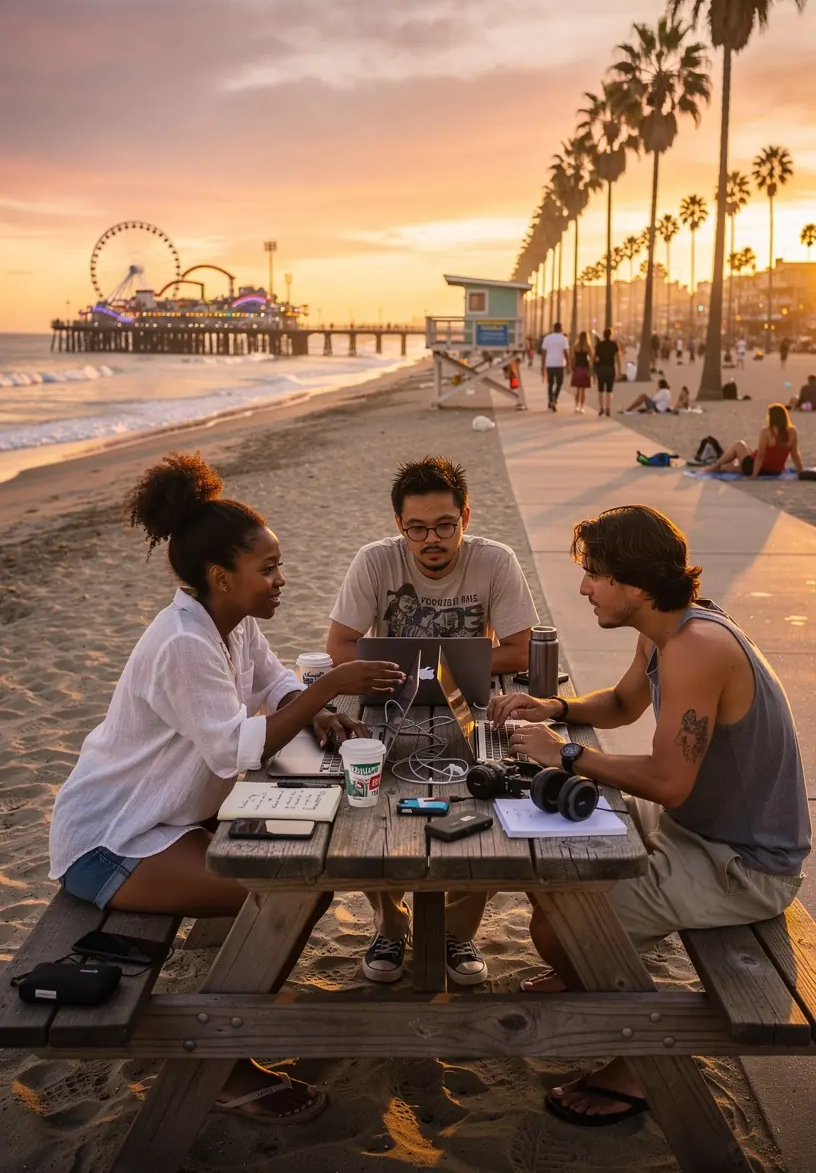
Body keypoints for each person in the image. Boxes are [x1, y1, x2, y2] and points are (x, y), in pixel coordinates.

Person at [48, 453, 404, 1126]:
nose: (280, 579)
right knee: (289, 889)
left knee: (303, 874)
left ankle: (231, 1012)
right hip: (111, 840)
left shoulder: (229, 623)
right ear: (221, 577)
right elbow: (230, 746)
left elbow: (273, 685)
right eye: (267, 569)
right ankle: (222, 1066)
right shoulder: (183, 642)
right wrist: (328, 687)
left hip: (168, 822)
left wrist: (315, 707)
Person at [489, 504, 810, 1126]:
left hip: (743, 866)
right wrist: (552, 707)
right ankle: (587, 974)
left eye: (594, 574)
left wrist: (568, 754)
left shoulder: (698, 647)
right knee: (545, 860)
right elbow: (619, 705)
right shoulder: (666, 629)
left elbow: (670, 782)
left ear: (634, 583)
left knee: (561, 926)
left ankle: (641, 1058)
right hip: (693, 834)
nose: (583, 587)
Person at [326, 456, 538, 986]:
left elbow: (524, 651)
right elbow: (338, 644)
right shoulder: (375, 561)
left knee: (484, 804)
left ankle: (455, 929)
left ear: (466, 515)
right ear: (400, 526)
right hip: (390, 702)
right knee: (370, 807)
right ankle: (391, 926)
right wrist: (435, 656)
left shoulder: (495, 561)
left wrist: (438, 659)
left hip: (472, 704)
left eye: (445, 525)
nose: (432, 539)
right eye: (417, 528)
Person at [704, 403, 804, 478]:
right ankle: (719, 467)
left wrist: (754, 475)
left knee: (739, 445)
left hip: (757, 468)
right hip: (774, 470)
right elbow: (795, 455)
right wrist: (800, 472)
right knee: (735, 468)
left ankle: (716, 465)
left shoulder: (766, 432)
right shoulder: (792, 432)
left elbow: (761, 455)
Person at [540, 321, 571, 411]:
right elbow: (566, 353)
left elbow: (544, 353)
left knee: (550, 384)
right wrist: (568, 365)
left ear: (553, 328)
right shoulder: (563, 339)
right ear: (561, 329)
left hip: (549, 363)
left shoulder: (547, 338)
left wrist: (543, 365)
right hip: (559, 364)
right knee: (559, 383)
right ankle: (555, 398)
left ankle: (551, 400)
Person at [593, 327, 621, 417]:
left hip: (601, 368)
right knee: (609, 390)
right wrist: (619, 370)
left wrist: (594, 370)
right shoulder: (614, 345)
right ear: (611, 335)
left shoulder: (599, 345)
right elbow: (617, 358)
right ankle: (608, 408)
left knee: (600, 389)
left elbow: (595, 358)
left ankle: (601, 408)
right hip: (610, 368)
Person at [570, 330, 593, 413]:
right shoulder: (588, 347)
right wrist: (592, 371)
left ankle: (576, 406)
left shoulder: (576, 346)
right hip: (585, 368)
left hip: (577, 368)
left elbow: (572, 358)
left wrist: (571, 367)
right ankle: (581, 407)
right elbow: (592, 359)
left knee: (577, 389)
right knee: (583, 390)